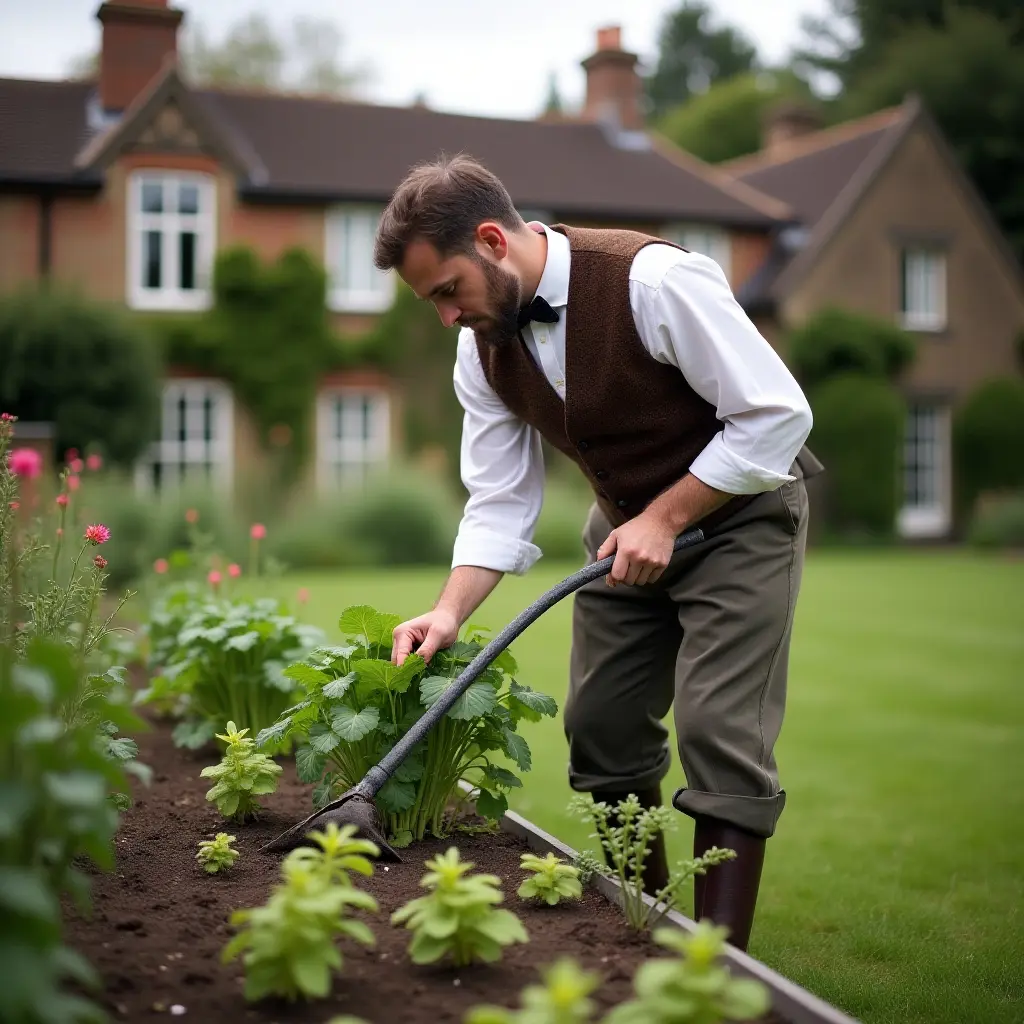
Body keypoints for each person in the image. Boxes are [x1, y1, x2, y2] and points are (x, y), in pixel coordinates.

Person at [372, 153, 821, 953]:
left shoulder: (653, 282)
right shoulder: (481, 348)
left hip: (744, 523)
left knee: (720, 730)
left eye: (448, 291)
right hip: (621, 534)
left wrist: (670, 515)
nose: (446, 316)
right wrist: (447, 611)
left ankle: (716, 971)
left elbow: (777, 416)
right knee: (601, 729)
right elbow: (502, 499)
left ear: (491, 241)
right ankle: (649, 934)